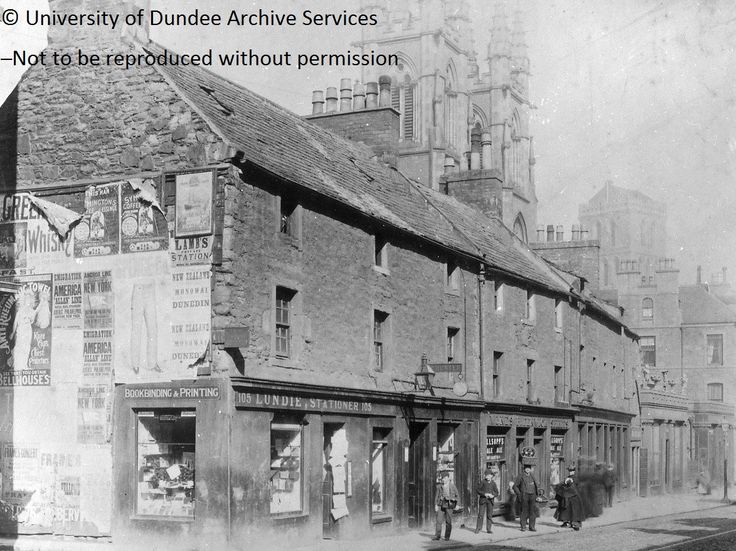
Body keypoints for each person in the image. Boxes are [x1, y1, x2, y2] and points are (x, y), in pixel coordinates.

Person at [554, 466, 584, 530]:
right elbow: (564, 485)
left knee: (574, 510)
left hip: (575, 497)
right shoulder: (568, 478)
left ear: (574, 471)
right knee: (567, 509)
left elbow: (578, 487)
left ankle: (575, 524)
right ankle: (566, 522)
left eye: (572, 471)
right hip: (568, 497)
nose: (570, 472)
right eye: (570, 471)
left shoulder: (576, 478)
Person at [432, 472, 459, 541]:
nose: (443, 480)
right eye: (442, 478)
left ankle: (447, 537)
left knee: (448, 521)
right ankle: (437, 536)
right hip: (441, 504)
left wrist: (457, 504)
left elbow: (457, 496)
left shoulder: (452, 486)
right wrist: (435, 505)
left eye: (444, 478)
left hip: (449, 505)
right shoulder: (439, 486)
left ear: (448, 478)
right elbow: (436, 496)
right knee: (439, 520)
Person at [513, 463, 539, 532]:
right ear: (524, 469)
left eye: (529, 468)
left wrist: (537, 495)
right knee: (524, 511)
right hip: (524, 496)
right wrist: (519, 494)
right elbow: (515, 486)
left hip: (532, 496)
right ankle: (523, 526)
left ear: (530, 469)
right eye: (526, 468)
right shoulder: (520, 476)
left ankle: (532, 527)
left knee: (532, 512)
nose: (528, 470)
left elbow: (536, 485)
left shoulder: (533, 476)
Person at [475, 469, 499, 534]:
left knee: (489, 515)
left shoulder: (493, 483)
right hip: (483, 500)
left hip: (490, 501)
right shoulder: (482, 482)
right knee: (480, 515)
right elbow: (478, 490)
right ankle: (478, 528)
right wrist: (484, 494)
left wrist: (493, 495)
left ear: (491, 476)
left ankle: (489, 529)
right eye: (486, 475)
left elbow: (497, 492)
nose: (487, 477)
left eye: (488, 475)